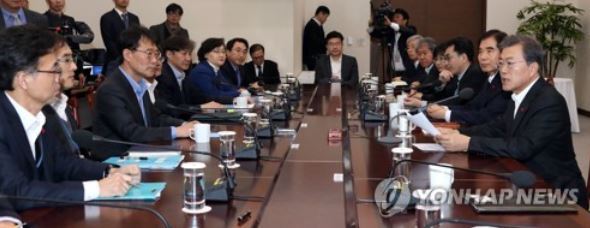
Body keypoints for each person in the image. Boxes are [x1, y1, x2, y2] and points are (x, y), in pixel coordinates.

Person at [436, 35, 588, 209]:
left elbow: (522, 147)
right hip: (525, 181)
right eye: (501, 63)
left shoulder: (549, 100)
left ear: (532, 68)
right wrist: (458, 133)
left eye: (510, 63)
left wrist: (468, 143)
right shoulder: (518, 96)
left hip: (557, 192)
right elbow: (496, 127)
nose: (503, 70)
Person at [0, 25, 139, 211]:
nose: (60, 77)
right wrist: (96, 189)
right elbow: (16, 191)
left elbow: (63, 163)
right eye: (54, 70)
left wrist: (109, 171)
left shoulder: (45, 113)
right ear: (24, 79)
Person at [92, 26, 195, 160]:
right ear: (128, 55)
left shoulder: (140, 84)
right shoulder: (111, 89)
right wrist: (177, 132)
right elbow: (132, 132)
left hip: (142, 153)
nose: (154, 61)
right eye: (148, 53)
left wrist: (184, 125)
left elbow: (156, 119)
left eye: (156, 54)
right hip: (117, 162)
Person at [427, 30, 510, 126]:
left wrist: (447, 114)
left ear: (504, 53)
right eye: (480, 51)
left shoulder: (504, 81)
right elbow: (472, 107)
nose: (482, 57)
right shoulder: (491, 78)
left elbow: (486, 116)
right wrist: (444, 109)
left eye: (489, 51)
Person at [405, 37, 486, 107]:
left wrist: (423, 104)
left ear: (463, 58)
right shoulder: (456, 75)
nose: (446, 63)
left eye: (448, 58)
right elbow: (443, 98)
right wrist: (441, 83)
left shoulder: (475, 74)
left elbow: (460, 105)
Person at [155, 36, 222, 118]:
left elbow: (201, 97)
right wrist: (200, 107)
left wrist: (231, 102)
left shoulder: (184, 75)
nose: (188, 58)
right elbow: (171, 109)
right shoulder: (161, 76)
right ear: (169, 54)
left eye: (189, 54)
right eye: (184, 54)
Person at [42, 39, 84, 158]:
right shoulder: (37, 111)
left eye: (72, 59)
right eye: (66, 60)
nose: (74, 67)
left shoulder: (62, 103)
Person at [187, 38, 244, 104]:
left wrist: (240, 90)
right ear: (205, 54)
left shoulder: (215, 69)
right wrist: (238, 92)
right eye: (216, 51)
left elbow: (225, 86)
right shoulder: (202, 71)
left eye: (223, 52)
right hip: (198, 111)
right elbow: (214, 95)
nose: (221, 55)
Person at [371, 8, 416, 80]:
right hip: (393, 70)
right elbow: (375, 35)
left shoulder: (411, 29)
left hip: (407, 69)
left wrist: (390, 24)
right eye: (394, 17)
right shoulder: (391, 32)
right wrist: (374, 24)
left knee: (405, 90)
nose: (394, 19)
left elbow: (408, 31)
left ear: (405, 20)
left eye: (397, 17)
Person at [100, 0, 140, 75]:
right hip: (115, 61)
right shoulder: (107, 18)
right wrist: (123, 58)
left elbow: (137, 39)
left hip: (133, 62)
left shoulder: (134, 18)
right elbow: (109, 42)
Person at [302, 5, 329, 70]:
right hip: (313, 59)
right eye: (326, 17)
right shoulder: (312, 25)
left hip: (317, 59)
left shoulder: (318, 25)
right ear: (320, 14)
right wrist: (327, 42)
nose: (326, 19)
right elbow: (315, 42)